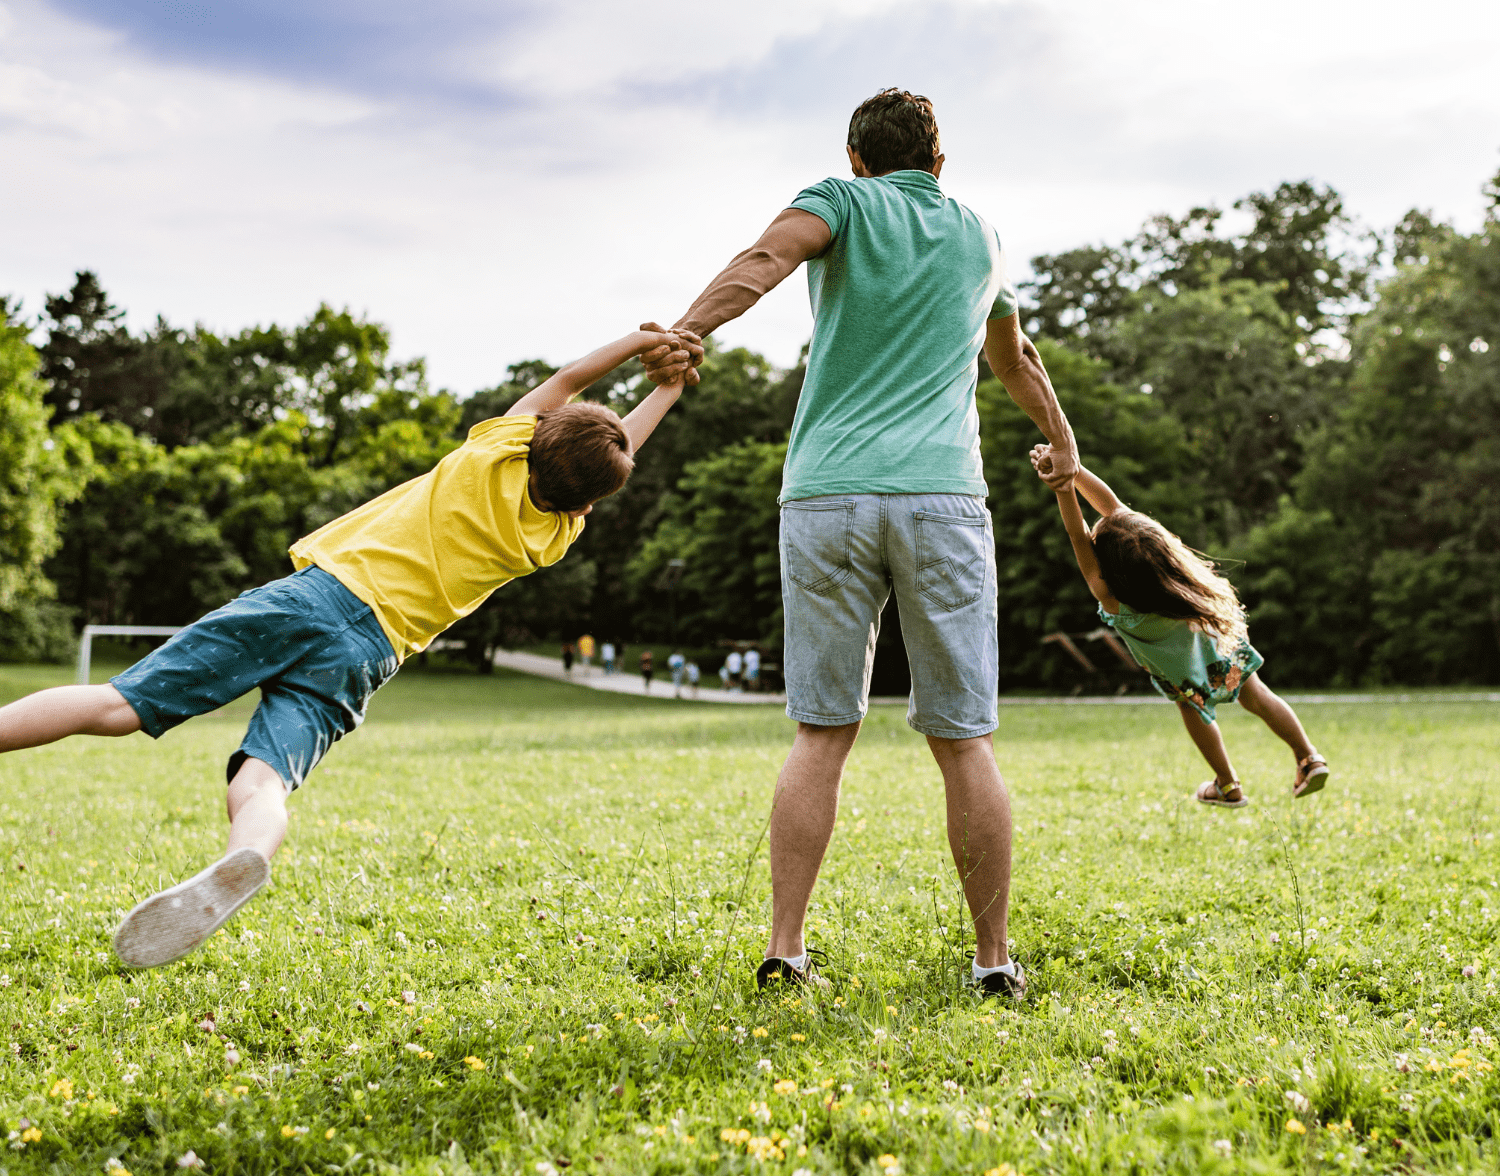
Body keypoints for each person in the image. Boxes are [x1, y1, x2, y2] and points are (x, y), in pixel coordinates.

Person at [0, 326, 697, 970]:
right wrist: (666, 390)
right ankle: (242, 857)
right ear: (583, 505)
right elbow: (612, 453)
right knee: (263, 780)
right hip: (370, 653)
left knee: (118, 704)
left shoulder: (491, 452)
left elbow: (567, 379)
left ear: (533, 435)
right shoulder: (552, 537)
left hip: (318, 599)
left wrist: (645, 343)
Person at [645, 88, 1077, 1001]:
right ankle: (993, 960)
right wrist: (1063, 441)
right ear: (939, 162)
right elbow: (1014, 360)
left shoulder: (838, 203)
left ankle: (787, 947)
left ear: (855, 159)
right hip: (944, 501)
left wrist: (689, 330)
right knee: (965, 741)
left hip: (830, 497)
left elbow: (764, 260)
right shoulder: (981, 237)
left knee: (823, 731)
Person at [1033, 446, 1329, 806]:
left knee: (1193, 710)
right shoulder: (1168, 567)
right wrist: (1071, 471)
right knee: (1258, 696)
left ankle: (1227, 783)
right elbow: (1112, 506)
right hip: (1224, 658)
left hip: (1186, 680)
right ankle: (1308, 757)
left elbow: (1076, 534)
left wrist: (1062, 488)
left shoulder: (1112, 596)